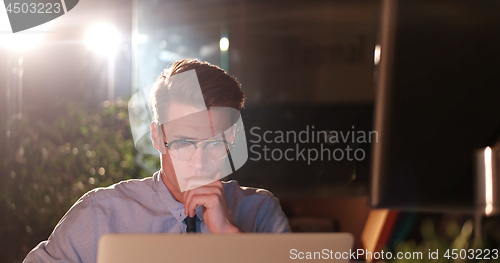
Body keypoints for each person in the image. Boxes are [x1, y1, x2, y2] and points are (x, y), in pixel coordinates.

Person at [23, 59, 290, 263]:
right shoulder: (101, 214)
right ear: (157, 136)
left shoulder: (260, 213)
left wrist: (229, 236)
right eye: (183, 143)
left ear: (231, 137)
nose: (199, 163)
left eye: (213, 143)